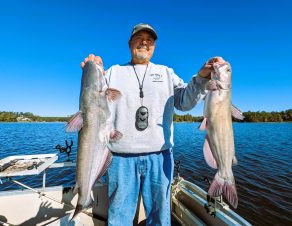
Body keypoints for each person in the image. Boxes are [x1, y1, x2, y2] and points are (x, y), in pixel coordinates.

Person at [80, 23, 226, 226]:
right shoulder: (112, 73)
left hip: (160, 157)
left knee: (160, 218)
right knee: (119, 217)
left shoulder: (166, 73)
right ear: (130, 43)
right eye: (139, 38)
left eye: (150, 39)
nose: (145, 42)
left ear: (154, 46)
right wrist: (91, 70)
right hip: (120, 159)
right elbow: (92, 103)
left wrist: (201, 77)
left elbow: (184, 102)